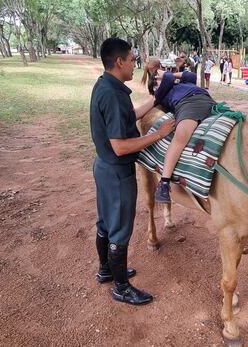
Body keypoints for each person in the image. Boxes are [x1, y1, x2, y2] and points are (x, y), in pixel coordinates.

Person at [89, 38, 175, 306]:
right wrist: (158, 134)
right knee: (119, 230)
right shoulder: (113, 95)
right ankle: (121, 287)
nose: (135, 65)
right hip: (117, 172)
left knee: (105, 222)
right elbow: (120, 146)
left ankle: (106, 270)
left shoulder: (107, 85)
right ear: (119, 62)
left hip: (104, 168)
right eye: (132, 60)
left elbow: (130, 115)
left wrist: (155, 100)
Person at [146, 65, 217, 203]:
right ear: (155, 88)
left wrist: (170, 75)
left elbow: (191, 75)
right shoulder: (160, 93)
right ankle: (164, 183)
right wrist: (163, 75)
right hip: (188, 104)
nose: (162, 77)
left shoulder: (180, 84)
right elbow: (167, 79)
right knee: (181, 138)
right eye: (157, 80)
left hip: (208, 100)